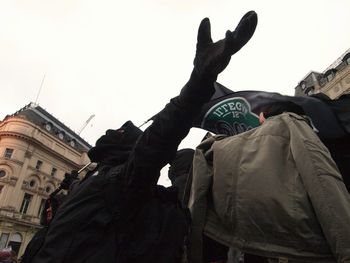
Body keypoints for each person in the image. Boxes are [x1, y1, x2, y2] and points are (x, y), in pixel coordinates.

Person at [31, 11, 258, 263]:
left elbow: (155, 144)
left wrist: (199, 81)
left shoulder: (106, 188)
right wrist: (199, 80)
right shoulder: (105, 186)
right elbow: (155, 143)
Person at [187, 101, 350, 263]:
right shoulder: (295, 125)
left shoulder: (218, 147)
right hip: (307, 246)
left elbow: (197, 203)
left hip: (246, 243)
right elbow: (324, 181)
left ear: (262, 117)